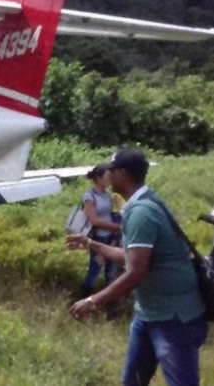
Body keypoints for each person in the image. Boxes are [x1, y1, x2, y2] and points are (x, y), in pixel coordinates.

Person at [68, 150, 207, 386]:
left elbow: (135, 273)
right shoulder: (144, 203)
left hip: (173, 317)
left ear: (123, 173)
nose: (108, 174)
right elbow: (132, 258)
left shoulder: (142, 212)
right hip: (149, 313)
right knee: (132, 381)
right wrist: (92, 244)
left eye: (111, 169)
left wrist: (93, 301)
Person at [79, 164, 122, 297]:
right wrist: (116, 227)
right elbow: (94, 221)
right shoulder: (89, 196)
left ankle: (109, 302)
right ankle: (83, 296)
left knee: (111, 272)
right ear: (98, 178)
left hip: (111, 236)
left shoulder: (108, 195)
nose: (110, 179)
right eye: (107, 176)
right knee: (95, 269)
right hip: (100, 237)